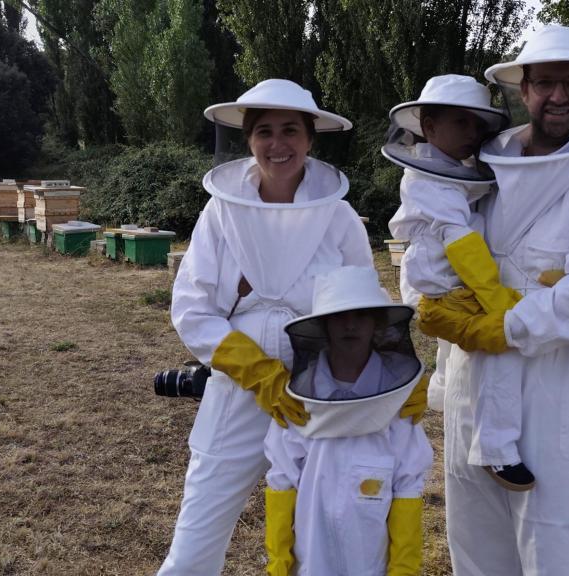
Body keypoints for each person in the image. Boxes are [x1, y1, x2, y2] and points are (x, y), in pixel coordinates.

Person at [158, 79, 427, 575]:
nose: (277, 144)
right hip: (240, 388)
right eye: (264, 131)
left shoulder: (338, 216)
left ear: (310, 138)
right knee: (198, 531)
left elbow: (363, 305)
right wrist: (258, 372)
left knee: (332, 534)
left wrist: (398, 379)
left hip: (325, 389)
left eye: (290, 130)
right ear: (248, 139)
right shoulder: (220, 211)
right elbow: (192, 308)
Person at [416, 26, 569, 575]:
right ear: (523, 89)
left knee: (560, 548)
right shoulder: (479, 168)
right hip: (472, 383)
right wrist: (432, 301)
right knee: (476, 545)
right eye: (545, 82)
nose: (558, 96)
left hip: (555, 390)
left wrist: (506, 327)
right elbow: (431, 239)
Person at [385, 74, 541, 491]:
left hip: (441, 287)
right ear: (429, 126)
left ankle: (440, 390)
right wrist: (496, 300)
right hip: (446, 292)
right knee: (499, 346)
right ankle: (495, 449)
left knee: (460, 349)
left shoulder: (449, 172)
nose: (472, 133)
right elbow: (462, 245)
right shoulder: (428, 182)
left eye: (476, 124)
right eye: (460, 122)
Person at [263, 266, 433, 576]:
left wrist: (404, 568)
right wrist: (279, 564)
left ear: (376, 323)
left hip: (371, 560)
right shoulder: (298, 401)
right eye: (339, 316)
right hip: (311, 557)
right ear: (324, 326)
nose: (350, 325)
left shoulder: (400, 401)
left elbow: (408, 484)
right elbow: (282, 480)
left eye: (361, 315)